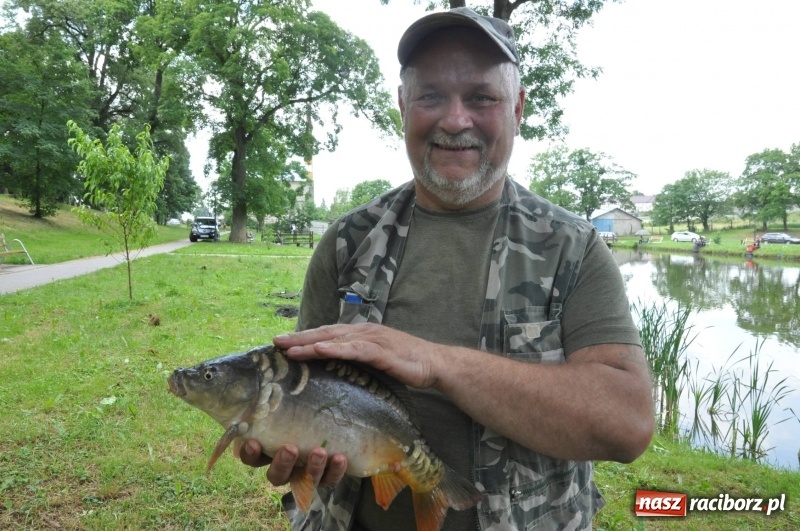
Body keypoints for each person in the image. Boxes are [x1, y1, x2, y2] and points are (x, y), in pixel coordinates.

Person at [239, 7, 654, 530]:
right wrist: (292, 444)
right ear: (402, 106)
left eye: (481, 97)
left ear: (518, 107)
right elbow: (307, 397)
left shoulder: (574, 249)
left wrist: (434, 363)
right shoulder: (348, 243)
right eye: (431, 95)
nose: (455, 120)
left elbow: (628, 424)